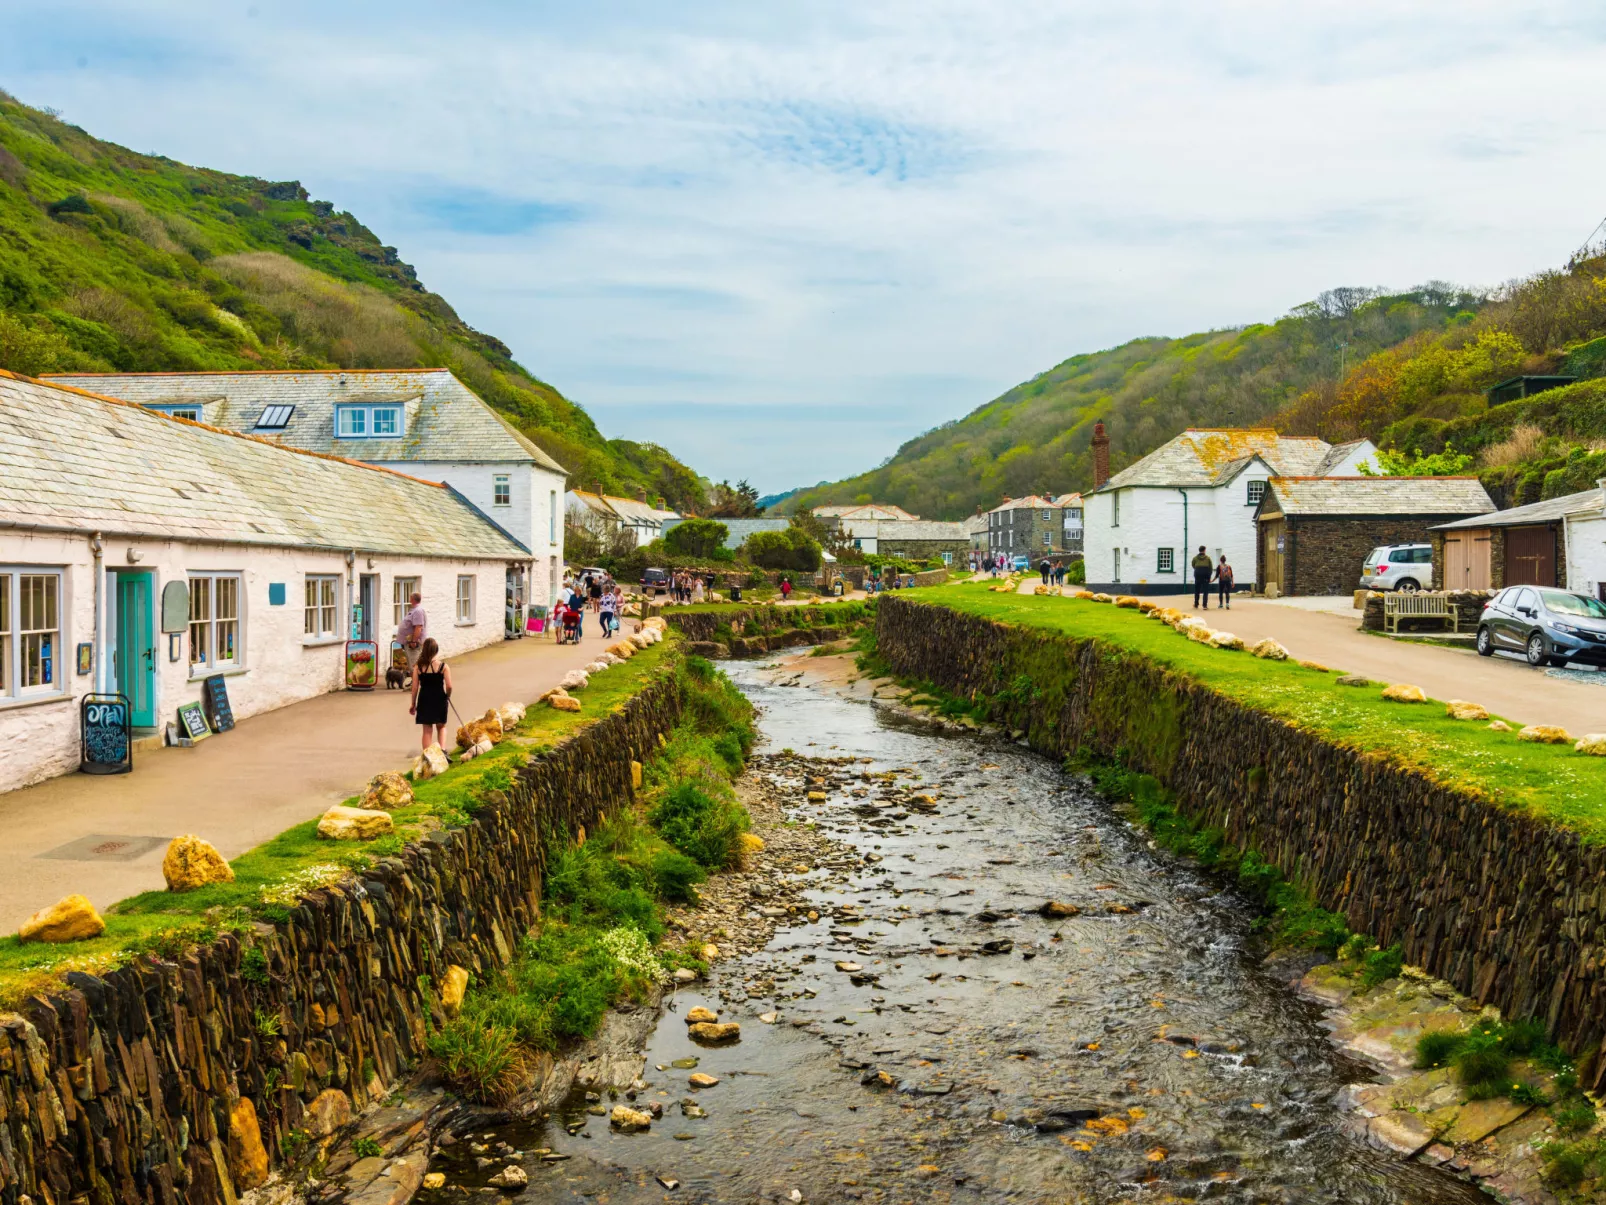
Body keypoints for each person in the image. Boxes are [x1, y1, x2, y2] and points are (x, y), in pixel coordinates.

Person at [409, 637, 452, 752]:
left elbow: (414, 687)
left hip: (424, 699)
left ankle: (427, 754)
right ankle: (442, 750)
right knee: (441, 726)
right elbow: (449, 686)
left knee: (427, 729)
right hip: (439, 698)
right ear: (436, 650)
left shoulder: (418, 667)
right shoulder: (444, 667)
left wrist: (413, 703)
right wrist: (447, 696)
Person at [397, 592, 428, 672]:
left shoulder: (418, 611)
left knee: (415, 666)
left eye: (410, 598)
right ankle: (414, 683)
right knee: (411, 666)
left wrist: (413, 641)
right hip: (409, 642)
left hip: (413, 644)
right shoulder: (415, 610)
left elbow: (418, 627)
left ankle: (416, 684)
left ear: (412, 599)